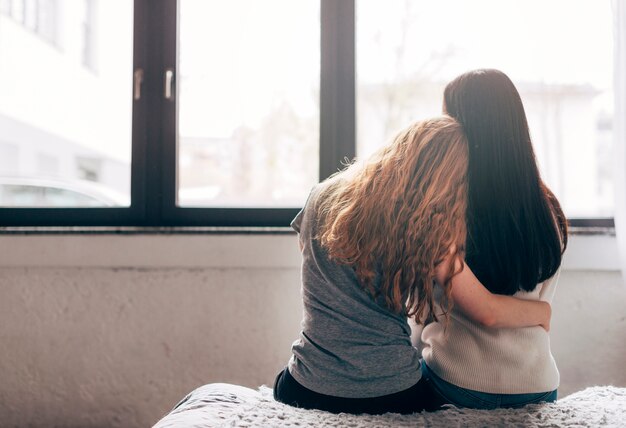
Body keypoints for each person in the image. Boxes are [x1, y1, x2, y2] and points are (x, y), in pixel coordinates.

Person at [273, 115, 552, 415]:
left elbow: (306, 251)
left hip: (307, 384)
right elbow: (484, 311)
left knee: (281, 383)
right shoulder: (425, 228)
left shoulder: (320, 197)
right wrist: (542, 311)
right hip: (393, 390)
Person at [420, 69, 569, 409]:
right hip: (537, 385)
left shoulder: (444, 214)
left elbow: (484, 312)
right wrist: (541, 312)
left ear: (462, 131)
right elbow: (533, 308)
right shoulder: (549, 212)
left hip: (459, 383)